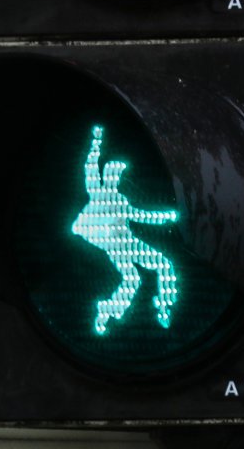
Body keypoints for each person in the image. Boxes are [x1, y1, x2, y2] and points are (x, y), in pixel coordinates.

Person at [72, 125, 178, 335]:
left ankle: (163, 307)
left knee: (161, 267)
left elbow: (138, 216)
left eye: (118, 176)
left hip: (128, 244)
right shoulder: (97, 192)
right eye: (115, 175)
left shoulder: (120, 200)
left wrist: (164, 218)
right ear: (109, 176)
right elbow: (90, 166)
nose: (117, 179)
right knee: (136, 279)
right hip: (118, 247)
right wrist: (96, 143)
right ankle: (108, 310)